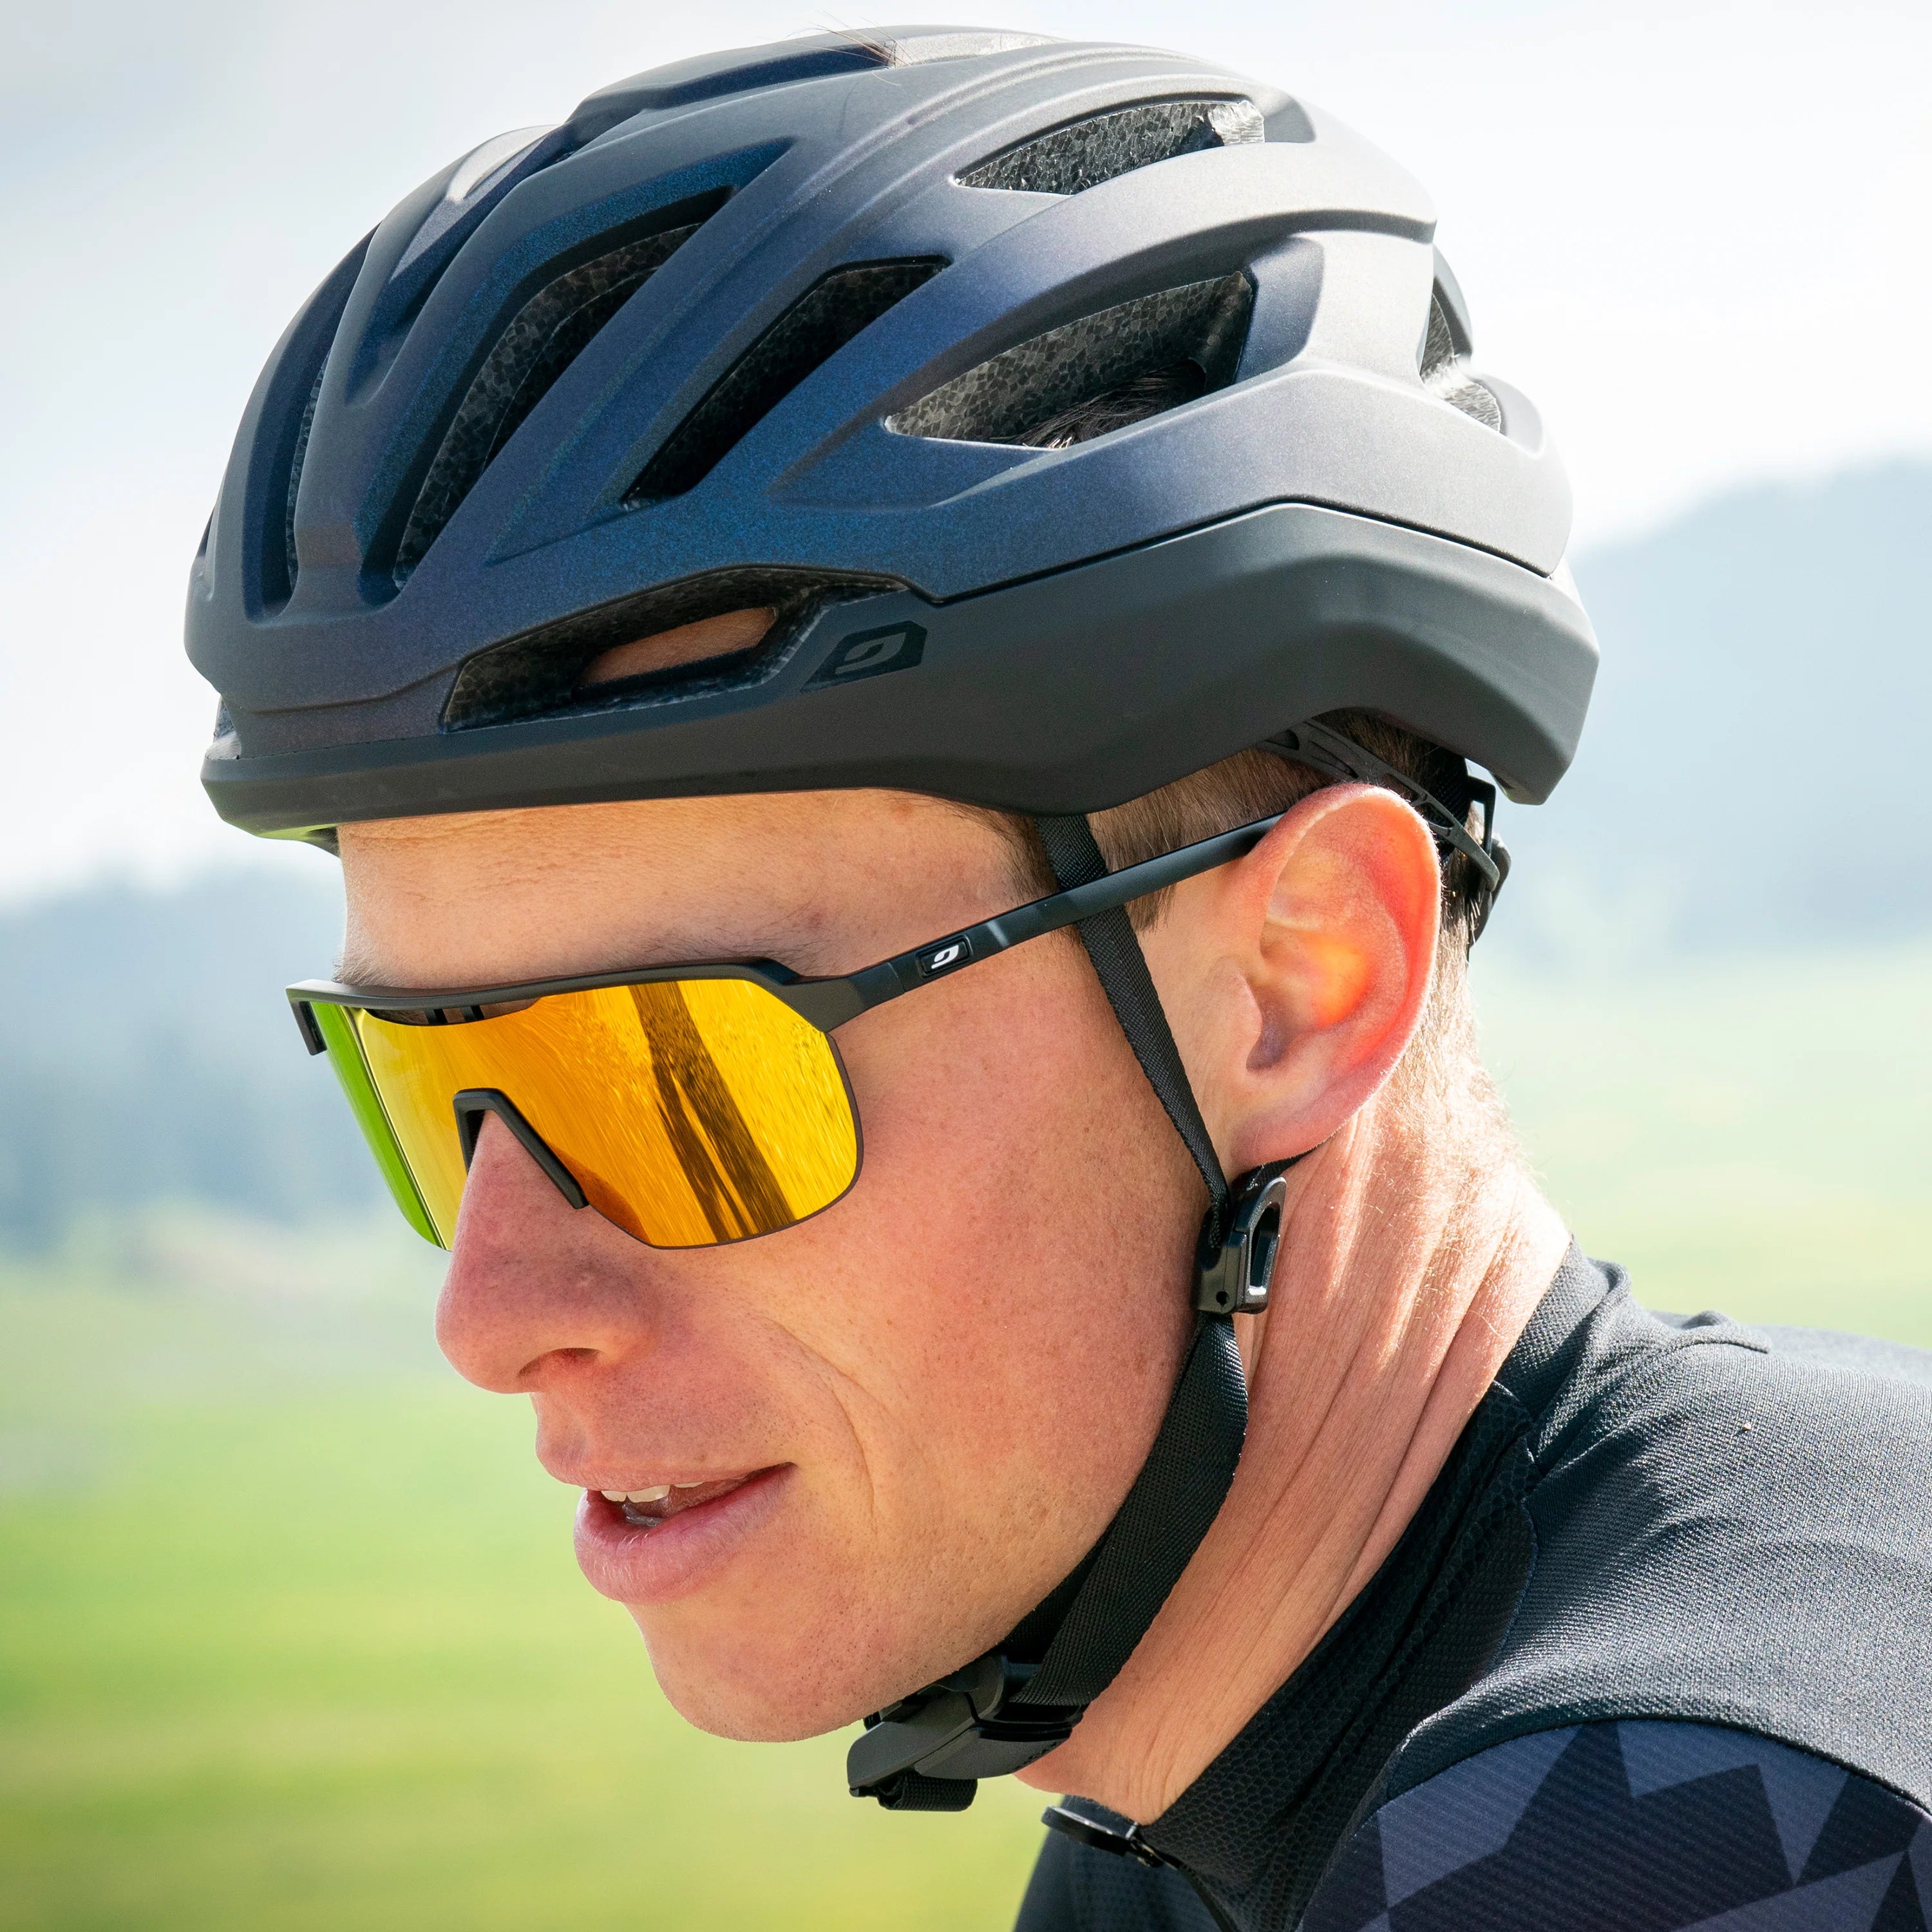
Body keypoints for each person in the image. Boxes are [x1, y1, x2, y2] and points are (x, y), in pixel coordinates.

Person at [187, 28, 1932, 1929]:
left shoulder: (1686, 1832)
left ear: (1301, 983)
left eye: (681, 1081)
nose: (490, 1317)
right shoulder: (1176, 1832)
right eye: (434, 1092)